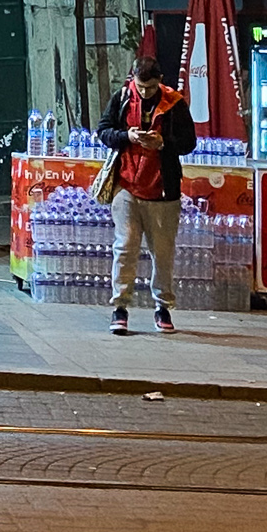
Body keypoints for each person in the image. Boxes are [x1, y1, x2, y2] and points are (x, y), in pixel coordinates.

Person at [98, 56, 197, 335]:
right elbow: (103, 131)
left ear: (160, 81)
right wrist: (126, 136)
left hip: (163, 193)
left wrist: (163, 143)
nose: (144, 92)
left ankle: (163, 307)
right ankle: (120, 307)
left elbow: (189, 142)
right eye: (140, 86)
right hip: (126, 186)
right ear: (133, 79)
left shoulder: (175, 103)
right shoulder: (122, 98)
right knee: (125, 247)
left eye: (150, 87)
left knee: (162, 253)